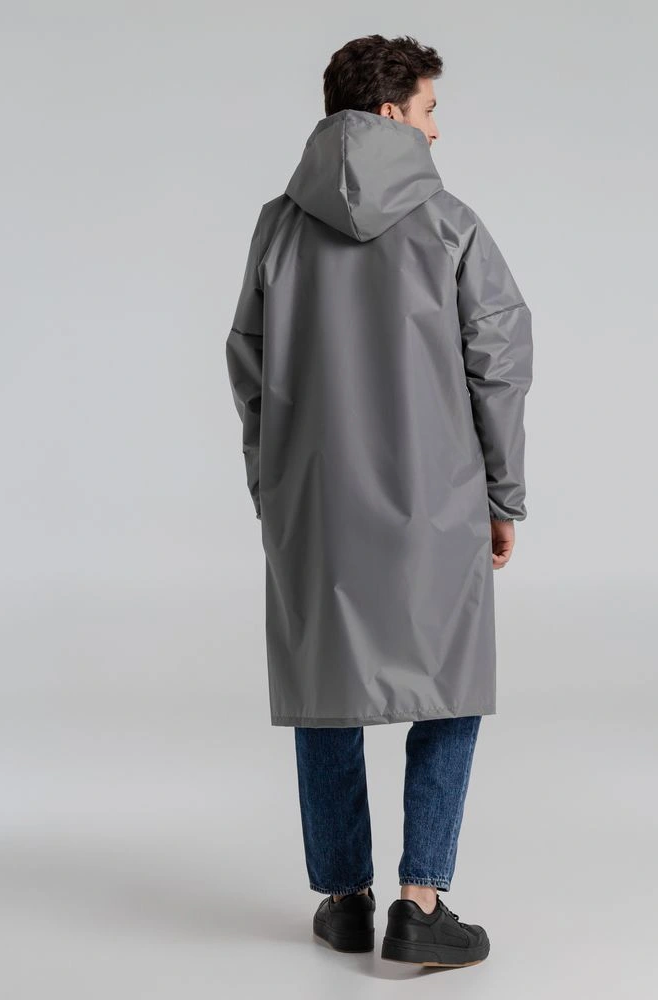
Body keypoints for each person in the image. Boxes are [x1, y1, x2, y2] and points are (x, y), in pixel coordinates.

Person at [225, 34, 533, 968]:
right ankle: (420, 903)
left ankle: (345, 898)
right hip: (436, 500)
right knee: (449, 682)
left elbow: (249, 368)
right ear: (392, 112)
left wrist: (272, 491)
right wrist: (503, 495)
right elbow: (499, 363)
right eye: (430, 109)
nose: (437, 129)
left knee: (326, 689)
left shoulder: (278, 225)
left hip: (314, 507)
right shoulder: (450, 224)